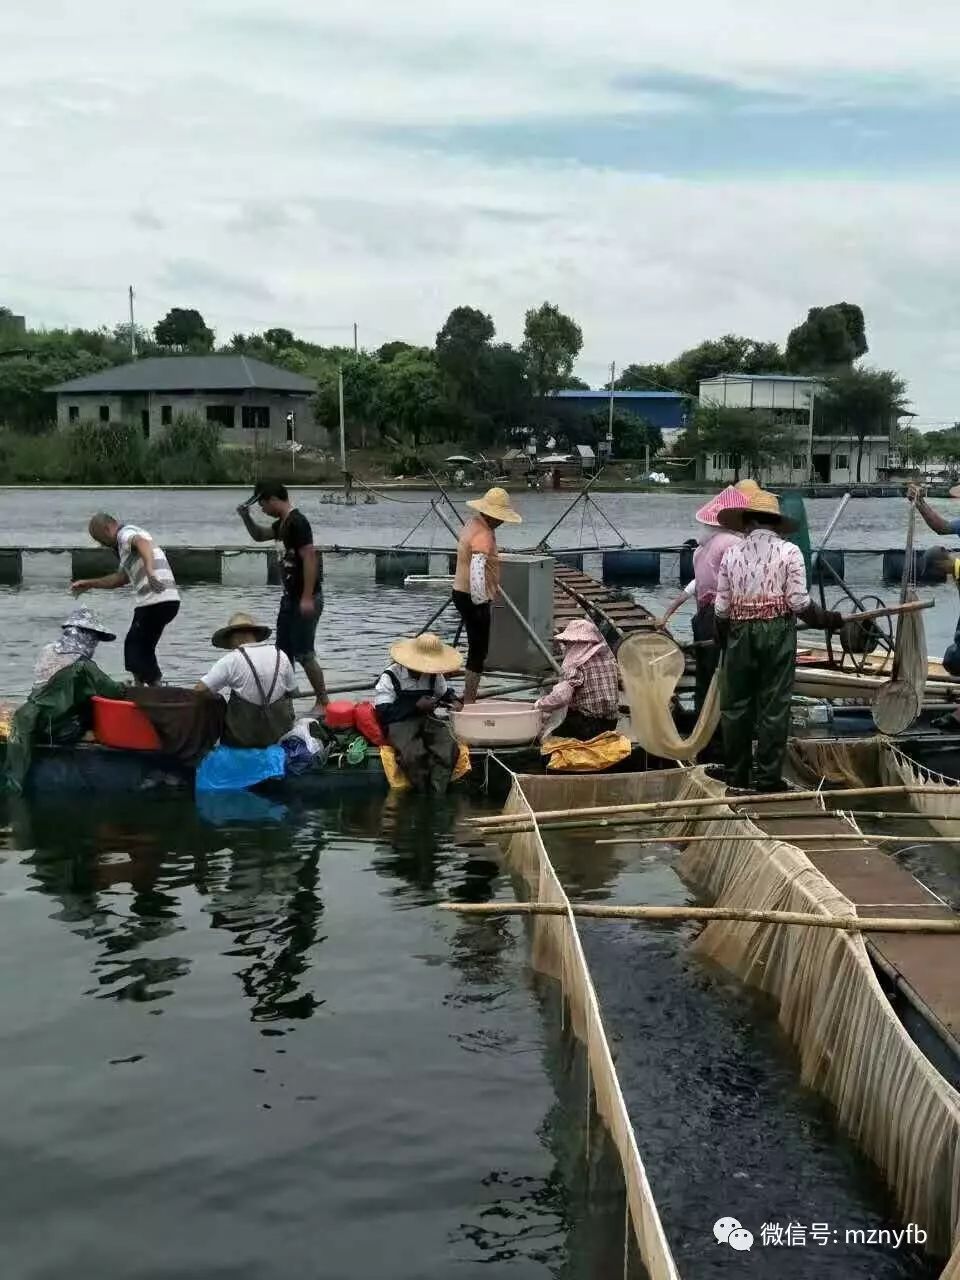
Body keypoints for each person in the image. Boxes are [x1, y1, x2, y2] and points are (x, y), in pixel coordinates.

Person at [713, 489, 843, 791]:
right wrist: (829, 620)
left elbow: (721, 608)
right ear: (775, 523)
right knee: (774, 706)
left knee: (735, 707)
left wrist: (723, 640)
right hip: (776, 632)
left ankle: (737, 776)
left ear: (747, 523)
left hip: (739, 632)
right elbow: (799, 604)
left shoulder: (731, 554)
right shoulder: (790, 552)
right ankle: (767, 779)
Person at [655, 482, 759, 711]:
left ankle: (702, 719)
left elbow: (697, 585)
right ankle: (722, 723)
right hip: (723, 616)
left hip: (703, 616)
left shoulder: (701, 549)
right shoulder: (734, 543)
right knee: (726, 673)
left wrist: (668, 613)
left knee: (705, 672)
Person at [237, 481, 328, 713]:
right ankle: (285, 705)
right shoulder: (284, 525)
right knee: (283, 653)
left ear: (273, 499)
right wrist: (245, 517)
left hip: (305, 598)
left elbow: (310, 558)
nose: (263, 510)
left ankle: (323, 701)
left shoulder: (298, 522)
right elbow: (259, 535)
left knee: (304, 652)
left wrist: (307, 597)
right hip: (289, 598)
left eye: (262, 504)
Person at [71, 514, 180, 686]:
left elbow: (142, 543)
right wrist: (89, 584)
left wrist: (150, 571)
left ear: (107, 529)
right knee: (144, 644)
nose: (103, 545)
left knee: (134, 645)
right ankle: (149, 685)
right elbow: (119, 579)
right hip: (167, 600)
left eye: (101, 540)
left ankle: (147, 686)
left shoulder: (125, 534)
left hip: (156, 599)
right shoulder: (126, 548)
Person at [452, 486, 522, 704]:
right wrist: (481, 602)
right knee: (478, 649)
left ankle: (467, 694)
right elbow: (477, 568)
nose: (501, 522)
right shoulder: (483, 535)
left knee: (476, 645)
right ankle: (470, 698)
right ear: (492, 516)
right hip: (473, 597)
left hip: (460, 592)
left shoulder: (472, 524)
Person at [373, 633, 464, 794]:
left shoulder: (434, 675)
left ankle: (437, 792)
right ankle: (421, 792)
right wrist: (415, 706)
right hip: (399, 722)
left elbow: (444, 693)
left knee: (449, 748)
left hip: (427, 719)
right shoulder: (390, 676)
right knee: (413, 755)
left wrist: (454, 701)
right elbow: (383, 713)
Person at [195, 611, 297, 748]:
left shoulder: (231, 659)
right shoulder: (280, 654)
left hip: (243, 739)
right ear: (254, 634)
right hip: (280, 734)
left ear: (232, 637)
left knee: (214, 698)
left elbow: (198, 690)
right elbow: (294, 691)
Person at [534, 620, 619, 740]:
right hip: (611, 722)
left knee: (550, 730)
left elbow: (561, 697)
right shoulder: (609, 660)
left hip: (587, 725)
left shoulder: (577, 664)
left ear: (576, 644)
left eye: (569, 643)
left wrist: (539, 704)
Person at [33, 606, 116, 690]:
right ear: (87, 635)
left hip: (37, 695)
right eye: (94, 637)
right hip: (61, 700)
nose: (95, 643)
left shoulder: (48, 649)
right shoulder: (82, 663)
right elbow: (108, 687)